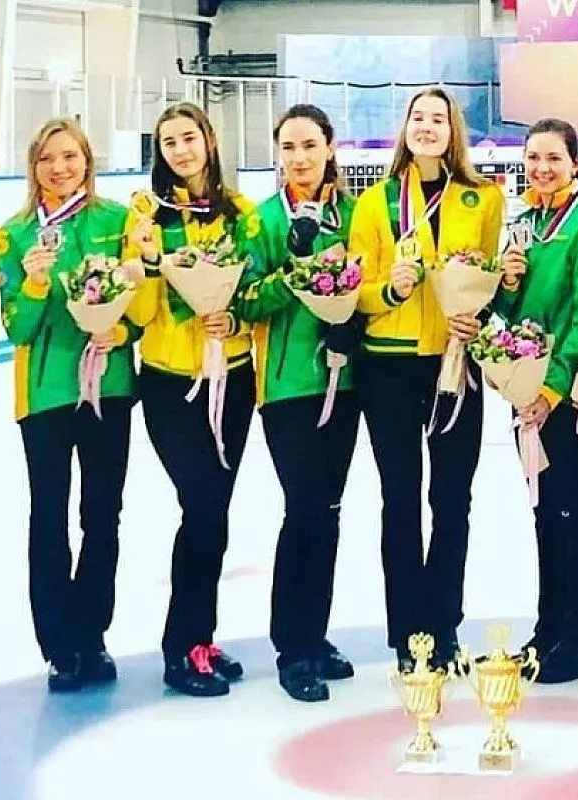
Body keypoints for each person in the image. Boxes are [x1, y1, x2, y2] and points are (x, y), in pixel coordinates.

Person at [348, 87, 504, 671]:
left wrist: (480, 316)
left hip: (454, 362)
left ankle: (444, 626)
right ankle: (407, 633)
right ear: (406, 128)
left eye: (438, 118)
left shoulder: (482, 199)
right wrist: (390, 291)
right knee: (399, 498)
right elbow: (355, 292)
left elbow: (492, 279)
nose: (427, 126)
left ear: (452, 130)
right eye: (419, 117)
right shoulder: (374, 203)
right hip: (387, 366)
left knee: (452, 499)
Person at [0, 118, 139, 692]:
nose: (59, 168)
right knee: (49, 517)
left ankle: (92, 635)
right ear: (33, 167)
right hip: (46, 395)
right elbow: (17, 327)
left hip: (109, 388)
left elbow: (141, 307)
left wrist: (120, 332)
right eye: (47, 159)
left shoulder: (116, 221)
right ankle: (59, 646)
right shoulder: (13, 235)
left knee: (103, 515)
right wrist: (34, 284)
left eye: (70, 156)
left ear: (87, 161)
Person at [124, 102, 254, 697]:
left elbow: (253, 290)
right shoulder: (146, 214)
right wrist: (150, 262)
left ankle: (201, 639)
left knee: (214, 513)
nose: (180, 150)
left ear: (209, 140)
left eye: (188, 137)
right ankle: (180, 648)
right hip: (169, 382)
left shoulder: (242, 213)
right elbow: (137, 311)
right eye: (168, 142)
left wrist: (237, 318)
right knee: (201, 507)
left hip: (233, 380)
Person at [235, 104, 362, 702]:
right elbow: (243, 301)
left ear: (329, 147)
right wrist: (294, 272)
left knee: (328, 511)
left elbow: (365, 287)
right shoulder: (261, 221)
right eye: (288, 147)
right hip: (286, 387)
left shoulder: (352, 215)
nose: (300, 157)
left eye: (310, 145)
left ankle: (315, 635)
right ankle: (292, 647)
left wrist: (350, 321)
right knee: (304, 509)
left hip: (345, 381)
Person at [491, 118, 578, 684]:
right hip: (526, 393)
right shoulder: (525, 224)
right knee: (546, 514)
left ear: (575, 164)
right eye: (533, 158)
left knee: (575, 510)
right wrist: (508, 284)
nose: (541, 168)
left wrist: (550, 387)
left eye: (553, 158)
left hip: (566, 393)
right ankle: (549, 632)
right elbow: (513, 316)